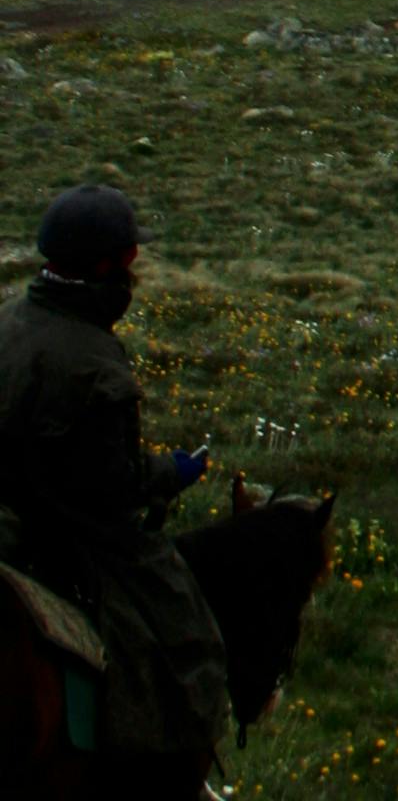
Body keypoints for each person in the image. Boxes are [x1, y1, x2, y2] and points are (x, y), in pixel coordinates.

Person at [0, 186, 229, 762]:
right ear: (109, 267)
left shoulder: (8, 318)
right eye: (130, 260)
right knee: (183, 626)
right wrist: (169, 473)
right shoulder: (98, 367)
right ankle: (169, 757)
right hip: (63, 532)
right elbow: (111, 491)